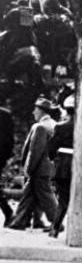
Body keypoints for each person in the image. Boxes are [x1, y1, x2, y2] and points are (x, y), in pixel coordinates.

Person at [8, 98, 58, 230]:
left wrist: (28, 168)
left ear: (41, 111)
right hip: (47, 167)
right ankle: (20, 221)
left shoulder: (40, 127)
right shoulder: (53, 124)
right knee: (29, 195)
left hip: (38, 168)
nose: (33, 112)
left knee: (45, 196)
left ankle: (57, 221)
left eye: (35, 109)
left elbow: (35, 151)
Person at [47, 95, 75, 237]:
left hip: (62, 166)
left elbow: (51, 150)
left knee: (63, 199)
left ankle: (55, 228)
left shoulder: (60, 127)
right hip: (77, 165)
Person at [0, 94, 14, 226]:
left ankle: (8, 211)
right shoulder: (6, 115)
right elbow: (10, 140)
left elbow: (8, 139)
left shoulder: (5, 115)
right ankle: (7, 211)